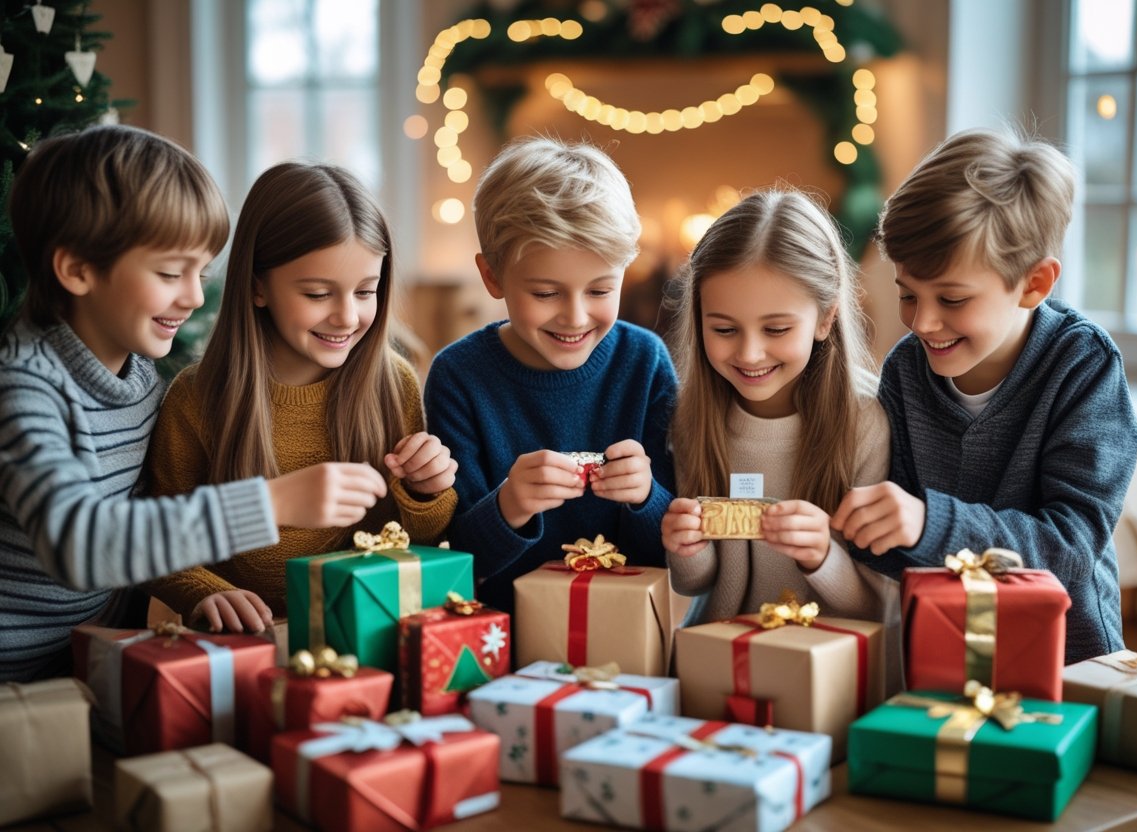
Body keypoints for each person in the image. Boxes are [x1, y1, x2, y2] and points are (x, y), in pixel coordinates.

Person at [0, 126, 379, 682]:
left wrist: (192, 597)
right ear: (77, 269)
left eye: (200, 272)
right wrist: (269, 504)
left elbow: (146, 517)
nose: (195, 297)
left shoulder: (139, 375)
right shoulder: (23, 387)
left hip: (88, 658)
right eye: (170, 273)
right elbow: (78, 544)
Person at [831, 127, 1137, 664]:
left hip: (1072, 659)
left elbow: (1069, 547)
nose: (923, 321)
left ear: (1034, 284)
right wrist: (858, 531)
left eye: (951, 298)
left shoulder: (1083, 366)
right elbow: (901, 541)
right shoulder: (906, 370)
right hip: (945, 651)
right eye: (907, 293)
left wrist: (930, 522)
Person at [142, 162, 456, 633]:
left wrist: (426, 491)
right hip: (241, 644)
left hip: (364, 631)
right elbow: (156, 540)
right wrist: (205, 589)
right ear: (256, 286)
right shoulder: (196, 398)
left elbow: (413, 541)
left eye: (366, 291)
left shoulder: (394, 385)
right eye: (316, 294)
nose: (347, 317)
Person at [659, 189, 901, 690]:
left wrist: (822, 556)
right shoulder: (694, 417)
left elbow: (881, 602)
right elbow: (696, 584)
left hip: (827, 668)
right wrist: (687, 548)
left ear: (826, 317)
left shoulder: (865, 422)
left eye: (775, 328)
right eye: (723, 328)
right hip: (718, 660)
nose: (749, 353)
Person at [424, 136, 676, 614]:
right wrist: (509, 507)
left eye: (600, 290)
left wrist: (647, 496)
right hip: (497, 640)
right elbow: (453, 561)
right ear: (492, 277)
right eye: (545, 294)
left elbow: (679, 549)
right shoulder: (458, 377)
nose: (576, 317)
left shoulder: (645, 363)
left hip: (626, 633)